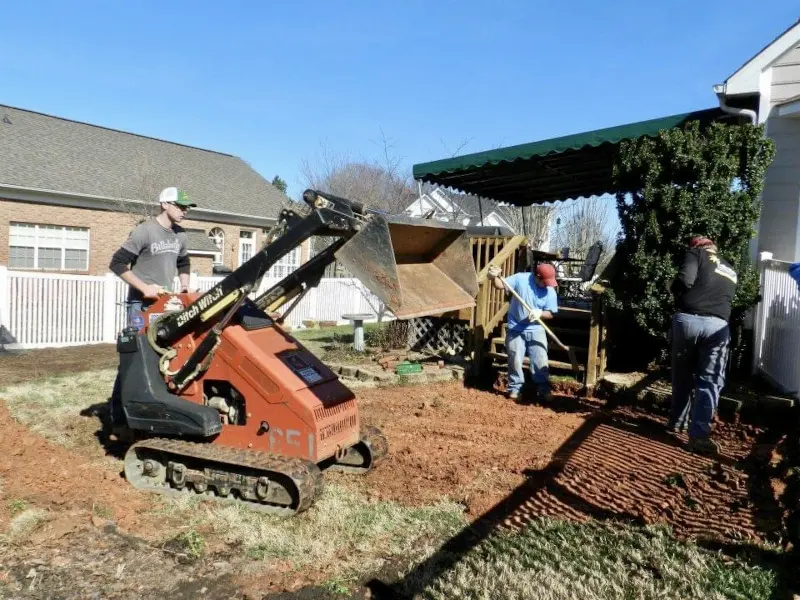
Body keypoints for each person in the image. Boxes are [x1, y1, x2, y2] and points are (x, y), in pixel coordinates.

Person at [106, 186, 196, 434]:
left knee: (164, 358)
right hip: (141, 305)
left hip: (166, 306)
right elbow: (117, 263)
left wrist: (185, 284)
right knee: (134, 358)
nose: (185, 211)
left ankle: (154, 413)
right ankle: (119, 419)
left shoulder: (181, 235)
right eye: (180, 206)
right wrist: (144, 287)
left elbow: (183, 261)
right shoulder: (145, 231)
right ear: (164, 204)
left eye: (187, 207)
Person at [668, 236, 738, 456]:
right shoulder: (729, 267)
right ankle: (698, 435)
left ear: (696, 246)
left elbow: (685, 280)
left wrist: (671, 287)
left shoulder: (696, 254)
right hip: (719, 326)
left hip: (689, 321)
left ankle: (677, 422)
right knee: (710, 381)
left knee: (683, 375)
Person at [487, 262, 559, 402]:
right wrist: (494, 278)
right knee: (514, 359)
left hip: (537, 328)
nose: (547, 285)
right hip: (516, 327)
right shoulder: (521, 279)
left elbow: (550, 313)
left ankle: (543, 388)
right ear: (537, 277)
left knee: (540, 360)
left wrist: (540, 313)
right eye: (544, 282)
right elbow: (500, 285)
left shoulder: (550, 290)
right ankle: (515, 388)